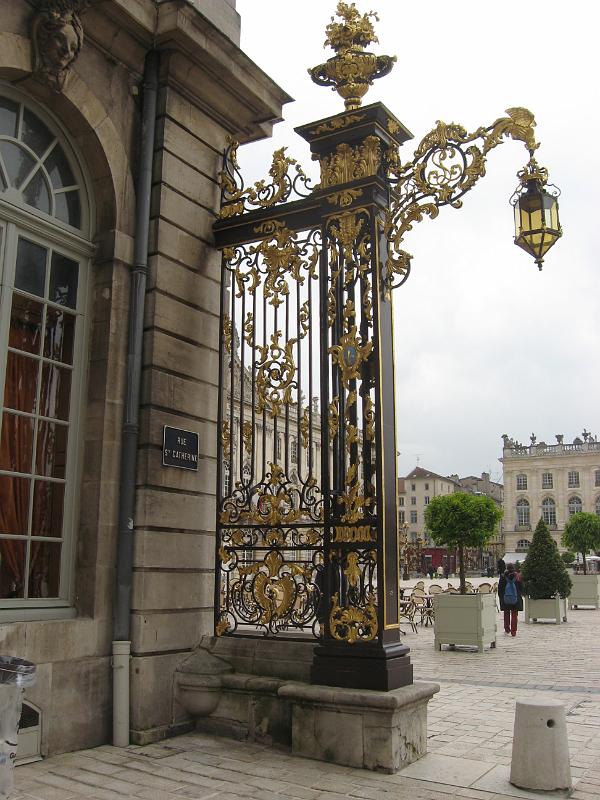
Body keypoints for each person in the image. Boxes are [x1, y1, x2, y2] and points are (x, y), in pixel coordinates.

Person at [498, 562, 523, 636]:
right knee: (514, 614)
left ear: (507, 568)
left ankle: (507, 629)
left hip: (506, 598)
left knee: (506, 613)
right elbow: (521, 587)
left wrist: (501, 597)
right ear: (513, 569)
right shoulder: (517, 576)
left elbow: (500, 588)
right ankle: (513, 631)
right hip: (515, 598)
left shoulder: (503, 577)